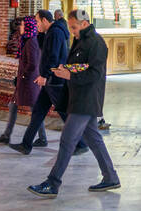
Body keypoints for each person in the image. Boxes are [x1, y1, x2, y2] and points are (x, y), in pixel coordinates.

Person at [27, 9, 120, 197]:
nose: (72, 31)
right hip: (78, 96)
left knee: (67, 140)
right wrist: (65, 70)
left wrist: (70, 75)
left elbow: (95, 74)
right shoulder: (81, 40)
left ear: (85, 24)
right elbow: (79, 66)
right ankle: (110, 177)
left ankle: (52, 183)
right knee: (94, 139)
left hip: (86, 100)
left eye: (74, 27)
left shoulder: (96, 43)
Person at [10, 10, 87, 155]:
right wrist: (39, 33)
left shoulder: (55, 33)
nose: (36, 24)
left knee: (64, 113)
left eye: (38, 22)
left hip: (55, 79)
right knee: (38, 112)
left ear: (45, 20)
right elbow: (44, 49)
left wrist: (45, 75)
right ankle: (26, 145)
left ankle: (81, 144)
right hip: (51, 79)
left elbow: (53, 56)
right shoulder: (49, 33)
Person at [0, 15, 38, 145]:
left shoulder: (31, 42)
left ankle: (42, 137)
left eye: (23, 25)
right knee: (14, 105)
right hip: (23, 81)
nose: (20, 27)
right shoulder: (26, 41)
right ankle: (7, 135)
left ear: (28, 27)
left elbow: (33, 64)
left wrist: (23, 76)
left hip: (28, 82)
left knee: (35, 110)